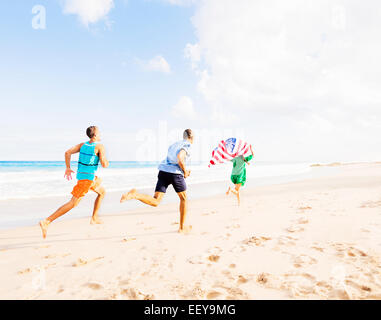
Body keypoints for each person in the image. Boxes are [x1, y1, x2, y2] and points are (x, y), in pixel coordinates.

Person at [39, 126, 109, 239]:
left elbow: (67, 152)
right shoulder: (100, 146)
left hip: (86, 177)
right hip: (87, 180)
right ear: (95, 135)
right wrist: (105, 159)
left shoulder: (82, 145)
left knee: (102, 192)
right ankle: (47, 221)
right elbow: (105, 165)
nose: (101, 134)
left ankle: (94, 218)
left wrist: (68, 167)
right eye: (99, 132)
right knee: (73, 203)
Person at [120, 129, 194, 234]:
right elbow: (180, 158)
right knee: (184, 199)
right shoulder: (187, 145)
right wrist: (185, 171)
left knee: (156, 201)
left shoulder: (174, 144)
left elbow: (172, 159)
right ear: (192, 138)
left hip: (163, 171)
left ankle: (135, 195)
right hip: (175, 174)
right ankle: (182, 228)